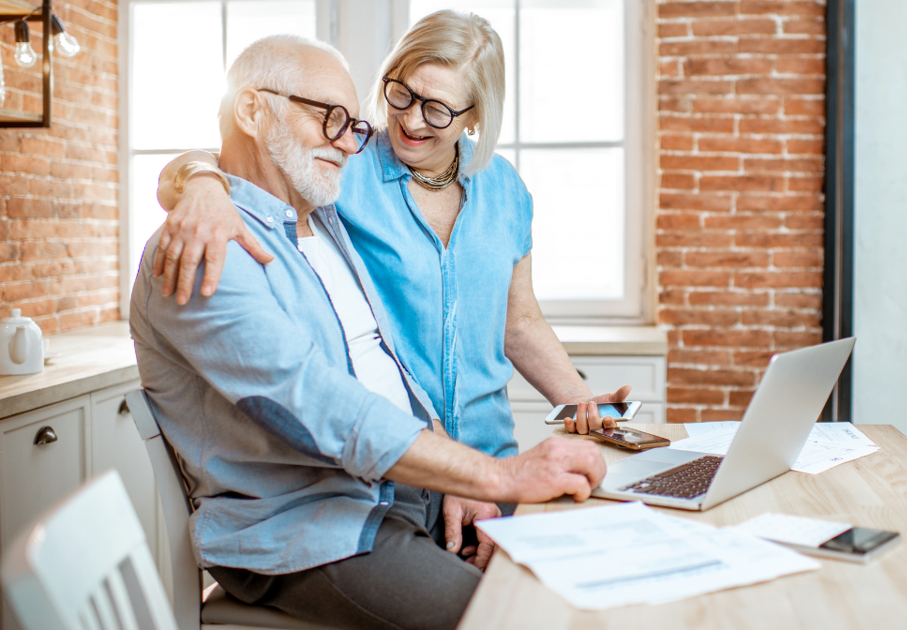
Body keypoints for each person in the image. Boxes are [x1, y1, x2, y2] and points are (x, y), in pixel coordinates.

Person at [130, 34, 605, 630]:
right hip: (317, 525)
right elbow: (315, 401)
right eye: (327, 117)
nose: (349, 140)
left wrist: (461, 473)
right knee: (520, 616)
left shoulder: (319, 220)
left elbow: (387, 370)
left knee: (586, 571)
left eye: (350, 123)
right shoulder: (210, 244)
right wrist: (200, 181)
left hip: (404, 488)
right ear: (253, 109)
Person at [153, 10, 629, 462]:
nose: (412, 119)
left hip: (492, 456)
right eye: (403, 93)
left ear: (475, 116)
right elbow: (236, 154)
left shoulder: (505, 189)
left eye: (438, 109)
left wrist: (582, 403)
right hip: (393, 462)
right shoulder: (344, 161)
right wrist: (202, 184)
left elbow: (520, 323)